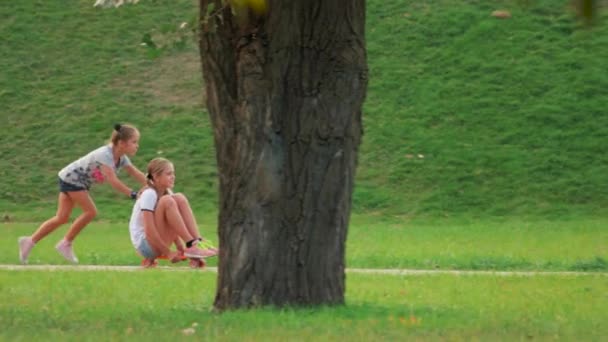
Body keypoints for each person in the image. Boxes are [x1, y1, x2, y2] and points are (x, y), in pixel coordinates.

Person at [18, 123, 147, 264]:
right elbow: (113, 180)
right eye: (134, 142)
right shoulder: (105, 155)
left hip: (71, 178)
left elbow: (134, 172)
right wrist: (133, 194)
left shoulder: (121, 158)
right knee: (90, 212)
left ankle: (29, 241)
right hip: (72, 180)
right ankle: (66, 243)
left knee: (61, 218)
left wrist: (152, 183)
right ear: (121, 143)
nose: (137, 145)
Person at [128, 157, 217, 268]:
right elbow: (149, 230)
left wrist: (181, 248)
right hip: (146, 246)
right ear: (156, 177)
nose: (173, 177)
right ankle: (191, 244)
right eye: (169, 174)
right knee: (168, 200)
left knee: (179, 198)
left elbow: (171, 222)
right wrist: (168, 252)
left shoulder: (167, 193)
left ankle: (196, 242)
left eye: (173, 173)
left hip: (157, 241)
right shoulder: (149, 194)